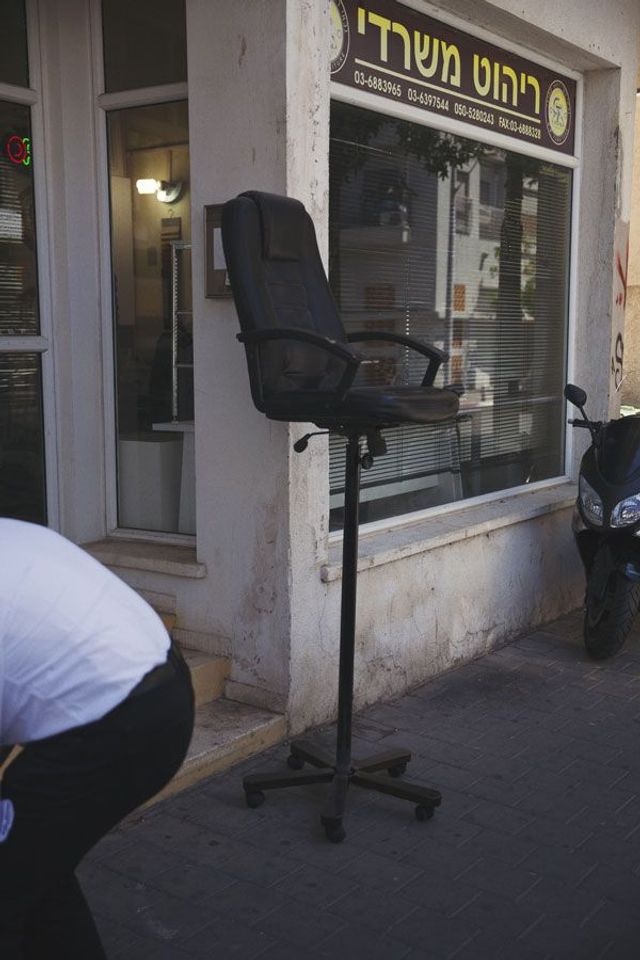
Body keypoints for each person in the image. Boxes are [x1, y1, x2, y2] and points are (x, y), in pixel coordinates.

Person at [0, 518, 195, 958]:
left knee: (12, 879)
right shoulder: (11, 534)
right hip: (162, 688)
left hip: (115, 722)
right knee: (32, 867)